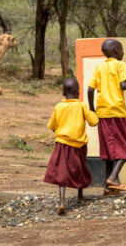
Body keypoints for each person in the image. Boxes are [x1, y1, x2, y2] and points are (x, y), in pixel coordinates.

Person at [87, 38, 126, 194]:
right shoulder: (120, 65)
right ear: (116, 50)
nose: (123, 52)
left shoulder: (99, 68)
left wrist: (92, 110)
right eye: (122, 49)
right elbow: (124, 85)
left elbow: (90, 90)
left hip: (102, 113)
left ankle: (108, 187)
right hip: (117, 112)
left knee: (110, 151)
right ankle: (113, 177)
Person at [43, 77, 98, 215]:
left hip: (62, 144)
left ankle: (62, 202)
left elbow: (52, 125)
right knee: (80, 168)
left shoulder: (59, 107)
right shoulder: (81, 106)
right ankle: (80, 195)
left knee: (62, 172)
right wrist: (94, 112)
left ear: (63, 92)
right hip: (78, 145)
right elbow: (93, 122)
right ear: (78, 92)